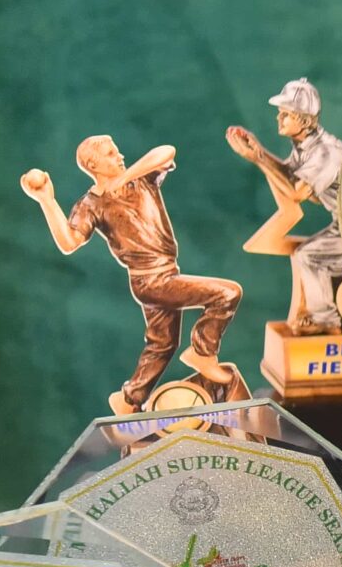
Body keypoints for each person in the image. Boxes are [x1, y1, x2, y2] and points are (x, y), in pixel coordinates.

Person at [20, 136, 241, 415]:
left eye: (117, 151)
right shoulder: (91, 205)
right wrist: (47, 200)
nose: (120, 156)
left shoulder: (143, 179)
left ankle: (128, 399)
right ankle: (202, 352)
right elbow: (69, 242)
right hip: (151, 281)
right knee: (227, 294)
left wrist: (124, 177)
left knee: (163, 344)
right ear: (93, 165)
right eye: (111, 154)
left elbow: (166, 150)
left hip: (166, 272)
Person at [228, 78, 342, 334]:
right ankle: (325, 317)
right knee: (306, 253)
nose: (279, 118)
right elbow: (288, 174)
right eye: (280, 113)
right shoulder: (305, 147)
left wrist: (258, 159)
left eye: (286, 114)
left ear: (304, 121)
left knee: (309, 255)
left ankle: (326, 320)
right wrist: (259, 153)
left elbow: (296, 192)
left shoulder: (326, 152)